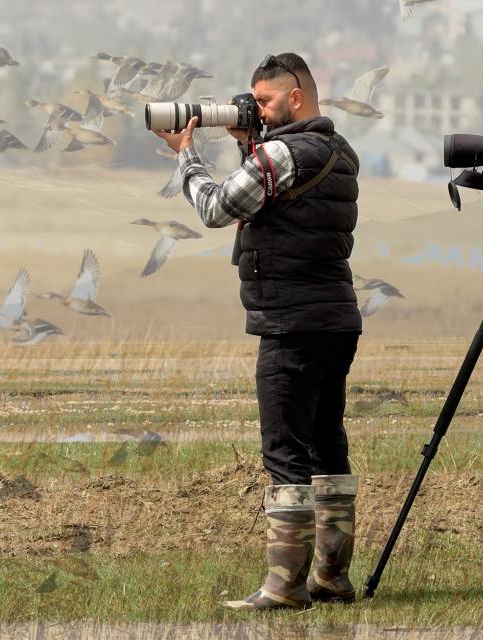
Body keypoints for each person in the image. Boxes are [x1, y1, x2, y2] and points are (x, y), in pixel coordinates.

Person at [153, 52, 362, 611]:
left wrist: (187, 156)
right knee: (327, 445)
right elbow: (281, 201)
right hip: (337, 317)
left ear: (296, 97)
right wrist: (251, 142)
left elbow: (218, 209)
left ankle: (284, 586)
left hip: (288, 321)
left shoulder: (280, 152)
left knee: (285, 451)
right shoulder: (342, 153)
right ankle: (331, 576)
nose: (259, 112)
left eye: (266, 102)